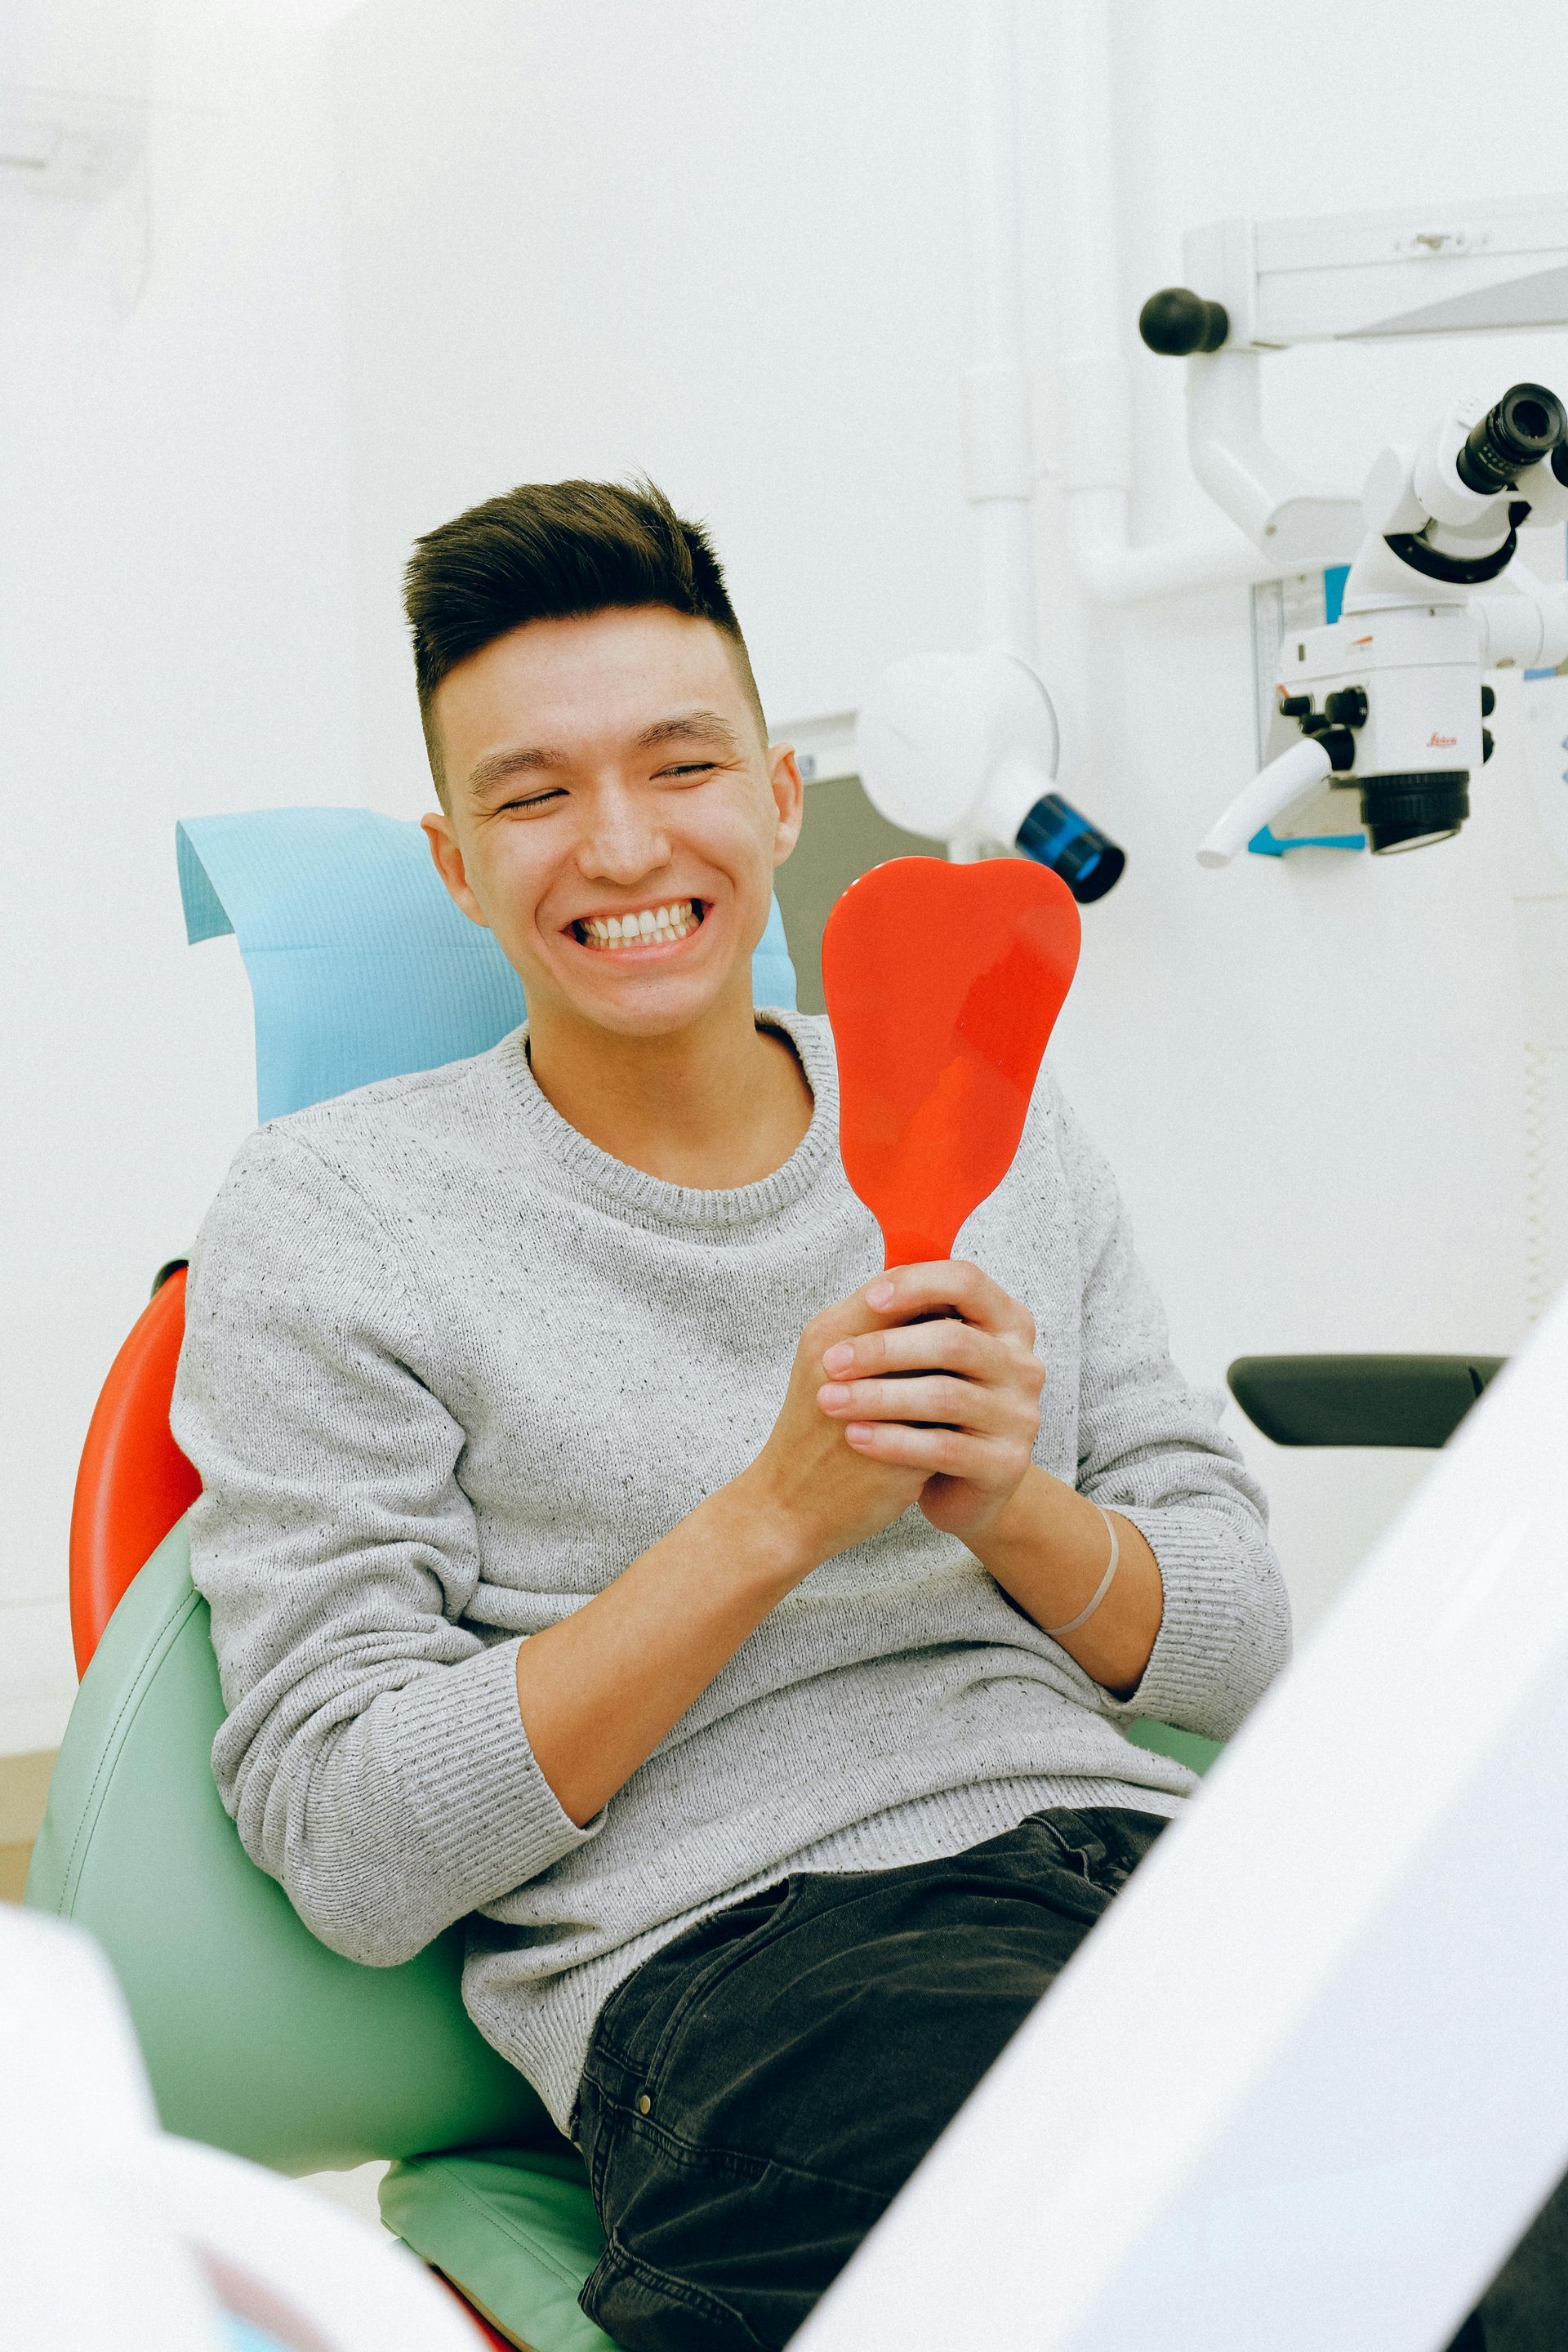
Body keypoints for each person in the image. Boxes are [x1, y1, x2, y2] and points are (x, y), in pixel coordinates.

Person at [172, 477, 1291, 2350]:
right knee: (1101, 2242)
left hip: (1141, 1870)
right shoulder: (335, 1213)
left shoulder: (997, 1120)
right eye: (534, 795)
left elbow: (1242, 1652)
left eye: (681, 766)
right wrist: (772, 1518)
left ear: (779, 797)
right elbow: (352, 1850)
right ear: (457, 866)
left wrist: (1009, 1504)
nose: (622, 846)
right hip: (755, 1963)